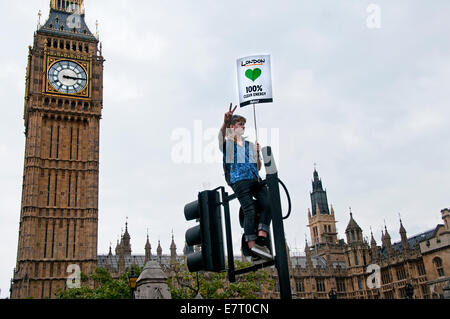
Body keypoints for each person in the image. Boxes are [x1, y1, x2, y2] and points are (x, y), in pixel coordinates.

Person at [218, 103, 272, 261]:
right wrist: (225, 121)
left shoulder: (248, 145)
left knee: (268, 203)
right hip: (239, 181)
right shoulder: (228, 143)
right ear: (233, 127)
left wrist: (256, 155)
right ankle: (252, 246)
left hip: (255, 179)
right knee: (249, 210)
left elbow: (259, 166)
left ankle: (262, 235)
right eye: (240, 124)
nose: (243, 126)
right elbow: (222, 135)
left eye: (244, 124)